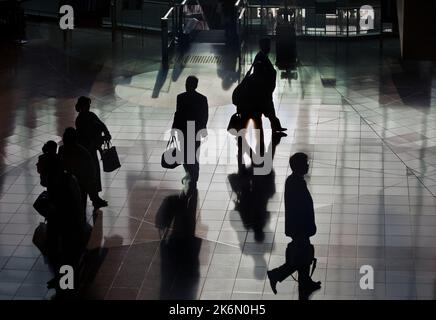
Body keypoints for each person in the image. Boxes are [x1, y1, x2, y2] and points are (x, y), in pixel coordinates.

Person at [36, 143, 88, 298]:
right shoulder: (65, 178)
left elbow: (62, 207)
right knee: (65, 255)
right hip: (67, 224)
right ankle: (64, 283)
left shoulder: (58, 183)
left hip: (64, 225)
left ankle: (66, 286)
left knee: (65, 255)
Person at [267, 152, 321, 300]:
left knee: (303, 257)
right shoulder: (296, 183)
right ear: (300, 166)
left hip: (298, 227)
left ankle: (305, 282)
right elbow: (300, 208)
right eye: (306, 163)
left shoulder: (293, 181)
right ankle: (277, 274)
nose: (308, 166)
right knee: (301, 258)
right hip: (300, 227)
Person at [172, 76, 208, 195]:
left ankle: (189, 172)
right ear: (196, 85)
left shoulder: (181, 97)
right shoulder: (202, 99)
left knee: (185, 153)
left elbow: (178, 114)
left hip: (184, 130)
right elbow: (204, 115)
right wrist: (203, 128)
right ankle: (194, 175)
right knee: (194, 153)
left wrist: (174, 128)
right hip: (195, 130)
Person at [75, 96, 111, 207]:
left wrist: (105, 133)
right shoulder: (81, 119)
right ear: (82, 106)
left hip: (91, 150)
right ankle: (94, 198)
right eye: (87, 105)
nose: (89, 107)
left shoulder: (88, 116)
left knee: (94, 174)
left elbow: (101, 125)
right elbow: (87, 135)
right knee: (92, 175)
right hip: (88, 152)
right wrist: (103, 136)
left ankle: (95, 197)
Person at [58, 127, 105, 211]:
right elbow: (90, 170)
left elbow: (60, 165)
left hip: (71, 182)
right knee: (80, 205)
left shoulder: (62, 149)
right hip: (80, 183)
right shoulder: (82, 151)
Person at [253, 37, 287, 134]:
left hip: (264, 90)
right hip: (262, 91)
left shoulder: (261, 56)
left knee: (269, 111)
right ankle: (274, 128)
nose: (269, 47)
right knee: (267, 110)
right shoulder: (261, 57)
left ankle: (276, 127)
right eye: (267, 45)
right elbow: (260, 73)